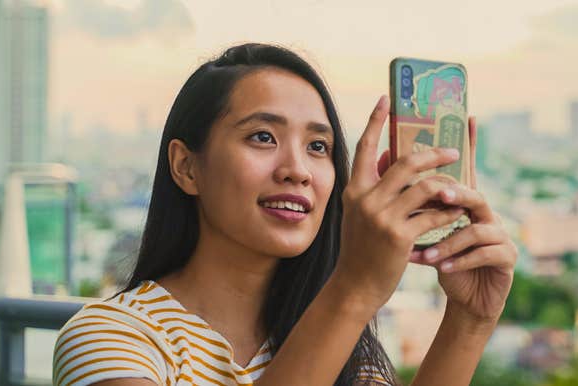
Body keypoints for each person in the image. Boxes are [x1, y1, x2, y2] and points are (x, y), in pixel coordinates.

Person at [52, 43, 518, 386]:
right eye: (262, 137)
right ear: (186, 166)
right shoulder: (112, 338)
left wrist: (469, 320)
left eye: (318, 146)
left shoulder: (347, 356)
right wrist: (355, 287)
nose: (297, 170)